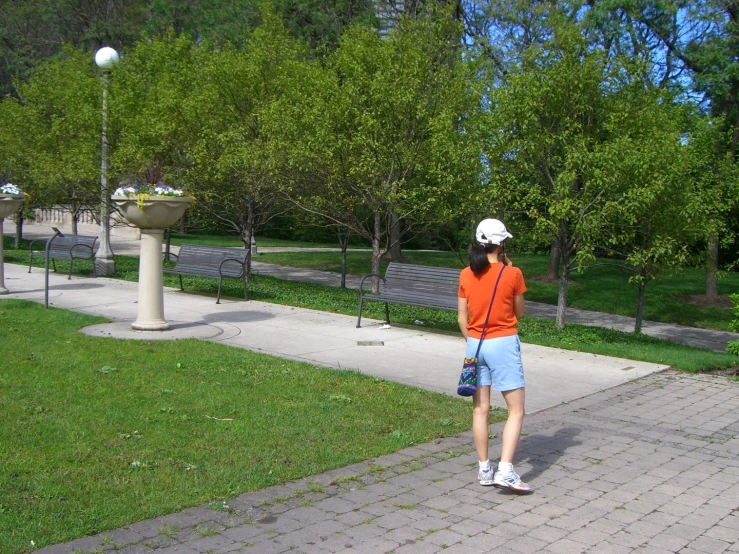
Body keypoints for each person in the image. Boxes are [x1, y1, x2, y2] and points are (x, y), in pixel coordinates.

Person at [457, 218, 531, 493]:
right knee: (516, 409)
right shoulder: (513, 274)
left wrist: (474, 341)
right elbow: (519, 312)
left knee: (480, 409)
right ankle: (506, 470)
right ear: (501, 245)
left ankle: (484, 468)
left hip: (475, 345)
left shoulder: (466, 274)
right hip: (503, 343)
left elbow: (462, 318)